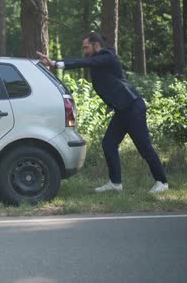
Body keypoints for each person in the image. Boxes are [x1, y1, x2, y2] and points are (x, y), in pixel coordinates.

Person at [36, 32, 169, 193]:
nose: (84, 51)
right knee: (109, 144)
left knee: (144, 146)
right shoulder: (99, 60)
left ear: (96, 45)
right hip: (122, 110)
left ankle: (162, 182)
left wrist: (56, 64)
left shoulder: (107, 56)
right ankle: (115, 183)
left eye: (86, 47)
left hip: (133, 108)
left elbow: (85, 62)